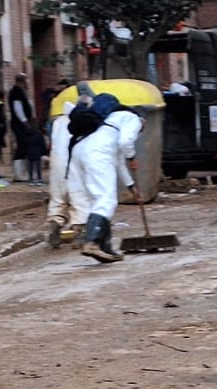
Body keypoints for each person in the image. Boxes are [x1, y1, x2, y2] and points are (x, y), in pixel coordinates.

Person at [67, 91, 142, 263]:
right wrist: (132, 157)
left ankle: (105, 248)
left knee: (98, 200)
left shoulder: (107, 121)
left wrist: (132, 188)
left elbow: (118, 162)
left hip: (80, 151)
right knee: (105, 200)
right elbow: (126, 143)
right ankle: (92, 242)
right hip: (97, 154)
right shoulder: (134, 119)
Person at [46, 84, 94, 249]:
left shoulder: (58, 121)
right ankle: (79, 230)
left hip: (57, 163)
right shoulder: (84, 120)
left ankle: (55, 223)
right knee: (79, 196)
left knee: (58, 197)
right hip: (74, 164)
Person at [18, 120, 46, 186]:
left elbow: (23, 145)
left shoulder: (25, 135)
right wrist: (43, 152)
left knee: (30, 167)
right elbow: (42, 144)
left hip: (29, 153)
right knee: (38, 167)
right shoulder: (39, 134)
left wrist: (24, 153)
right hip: (37, 152)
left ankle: (31, 180)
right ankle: (39, 180)